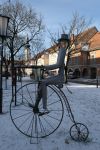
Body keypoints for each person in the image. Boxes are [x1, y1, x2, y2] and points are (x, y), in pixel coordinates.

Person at [34, 34, 70, 112]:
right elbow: (60, 64)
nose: (62, 44)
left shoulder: (62, 50)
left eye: (64, 42)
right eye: (62, 42)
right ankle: (37, 104)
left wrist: (45, 67)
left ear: (66, 43)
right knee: (42, 83)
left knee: (43, 82)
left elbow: (58, 65)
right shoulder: (61, 50)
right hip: (59, 76)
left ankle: (44, 107)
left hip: (59, 77)